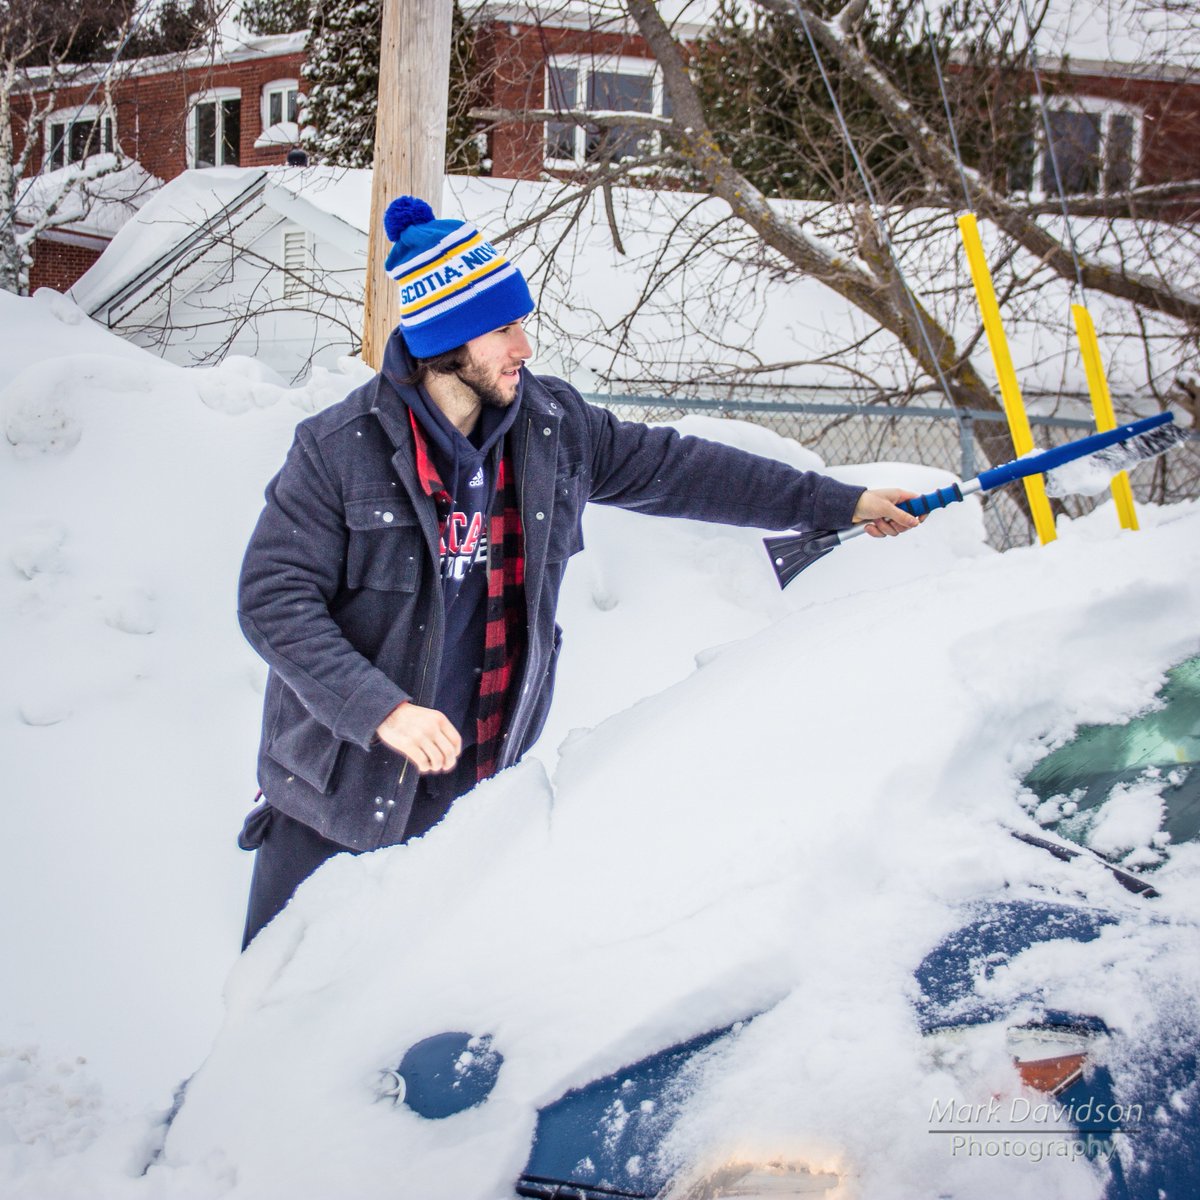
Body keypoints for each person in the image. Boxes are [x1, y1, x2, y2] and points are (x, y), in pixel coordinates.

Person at [235, 196, 920, 948]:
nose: (524, 346)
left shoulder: (550, 428)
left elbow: (682, 469)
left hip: (473, 801)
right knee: (275, 1031)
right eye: (503, 328)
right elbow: (274, 601)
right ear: (447, 340)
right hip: (337, 798)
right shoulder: (339, 449)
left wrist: (838, 501)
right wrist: (381, 709)